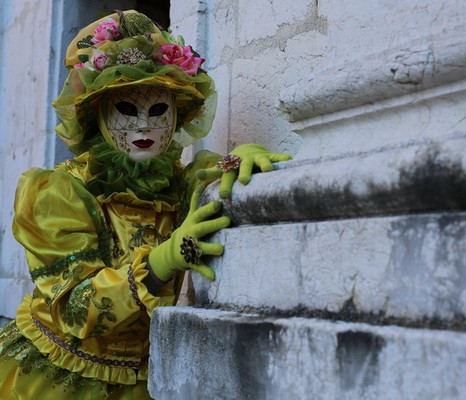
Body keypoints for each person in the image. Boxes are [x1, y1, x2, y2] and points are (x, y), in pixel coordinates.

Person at [0, 10, 290, 399]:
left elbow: (209, 176)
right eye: (125, 110)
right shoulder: (59, 193)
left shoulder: (178, 183)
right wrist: (160, 263)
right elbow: (72, 309)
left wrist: (240, 159)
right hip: (59, 376)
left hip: (145, 379)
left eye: (158, 111)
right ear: (97, 116)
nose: (143, 127)